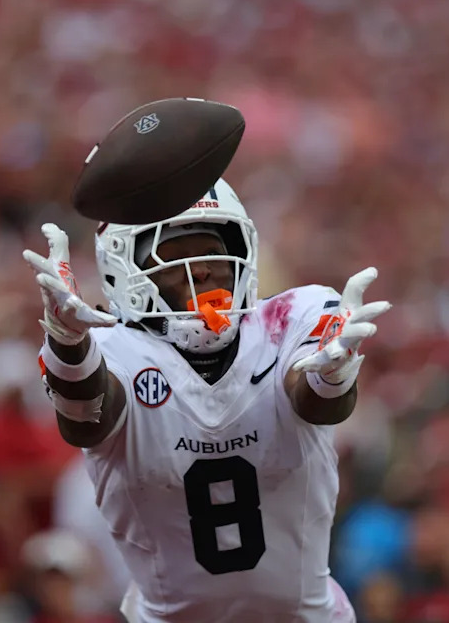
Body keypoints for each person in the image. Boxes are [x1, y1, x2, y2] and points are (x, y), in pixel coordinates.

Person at [22, 178, 391, 622]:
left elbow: (314, 398)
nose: (202, 270)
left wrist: (332, 377)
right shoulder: (112, 348)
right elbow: (87, 416)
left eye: (213, 251)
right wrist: (67, 342)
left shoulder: (293, 316)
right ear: (127, 273)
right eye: (175, 256)